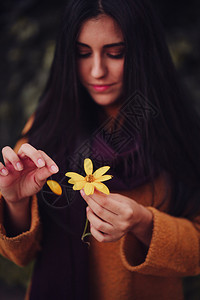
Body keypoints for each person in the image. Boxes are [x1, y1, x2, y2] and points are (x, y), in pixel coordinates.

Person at [0, 0, 200, 299]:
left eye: (116, 53)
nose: (97, 71)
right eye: (82, 53)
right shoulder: (47, 126)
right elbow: (19, 255)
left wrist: (144, 223)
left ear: (144, 52)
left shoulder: (176, 129)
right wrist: (14, 203)